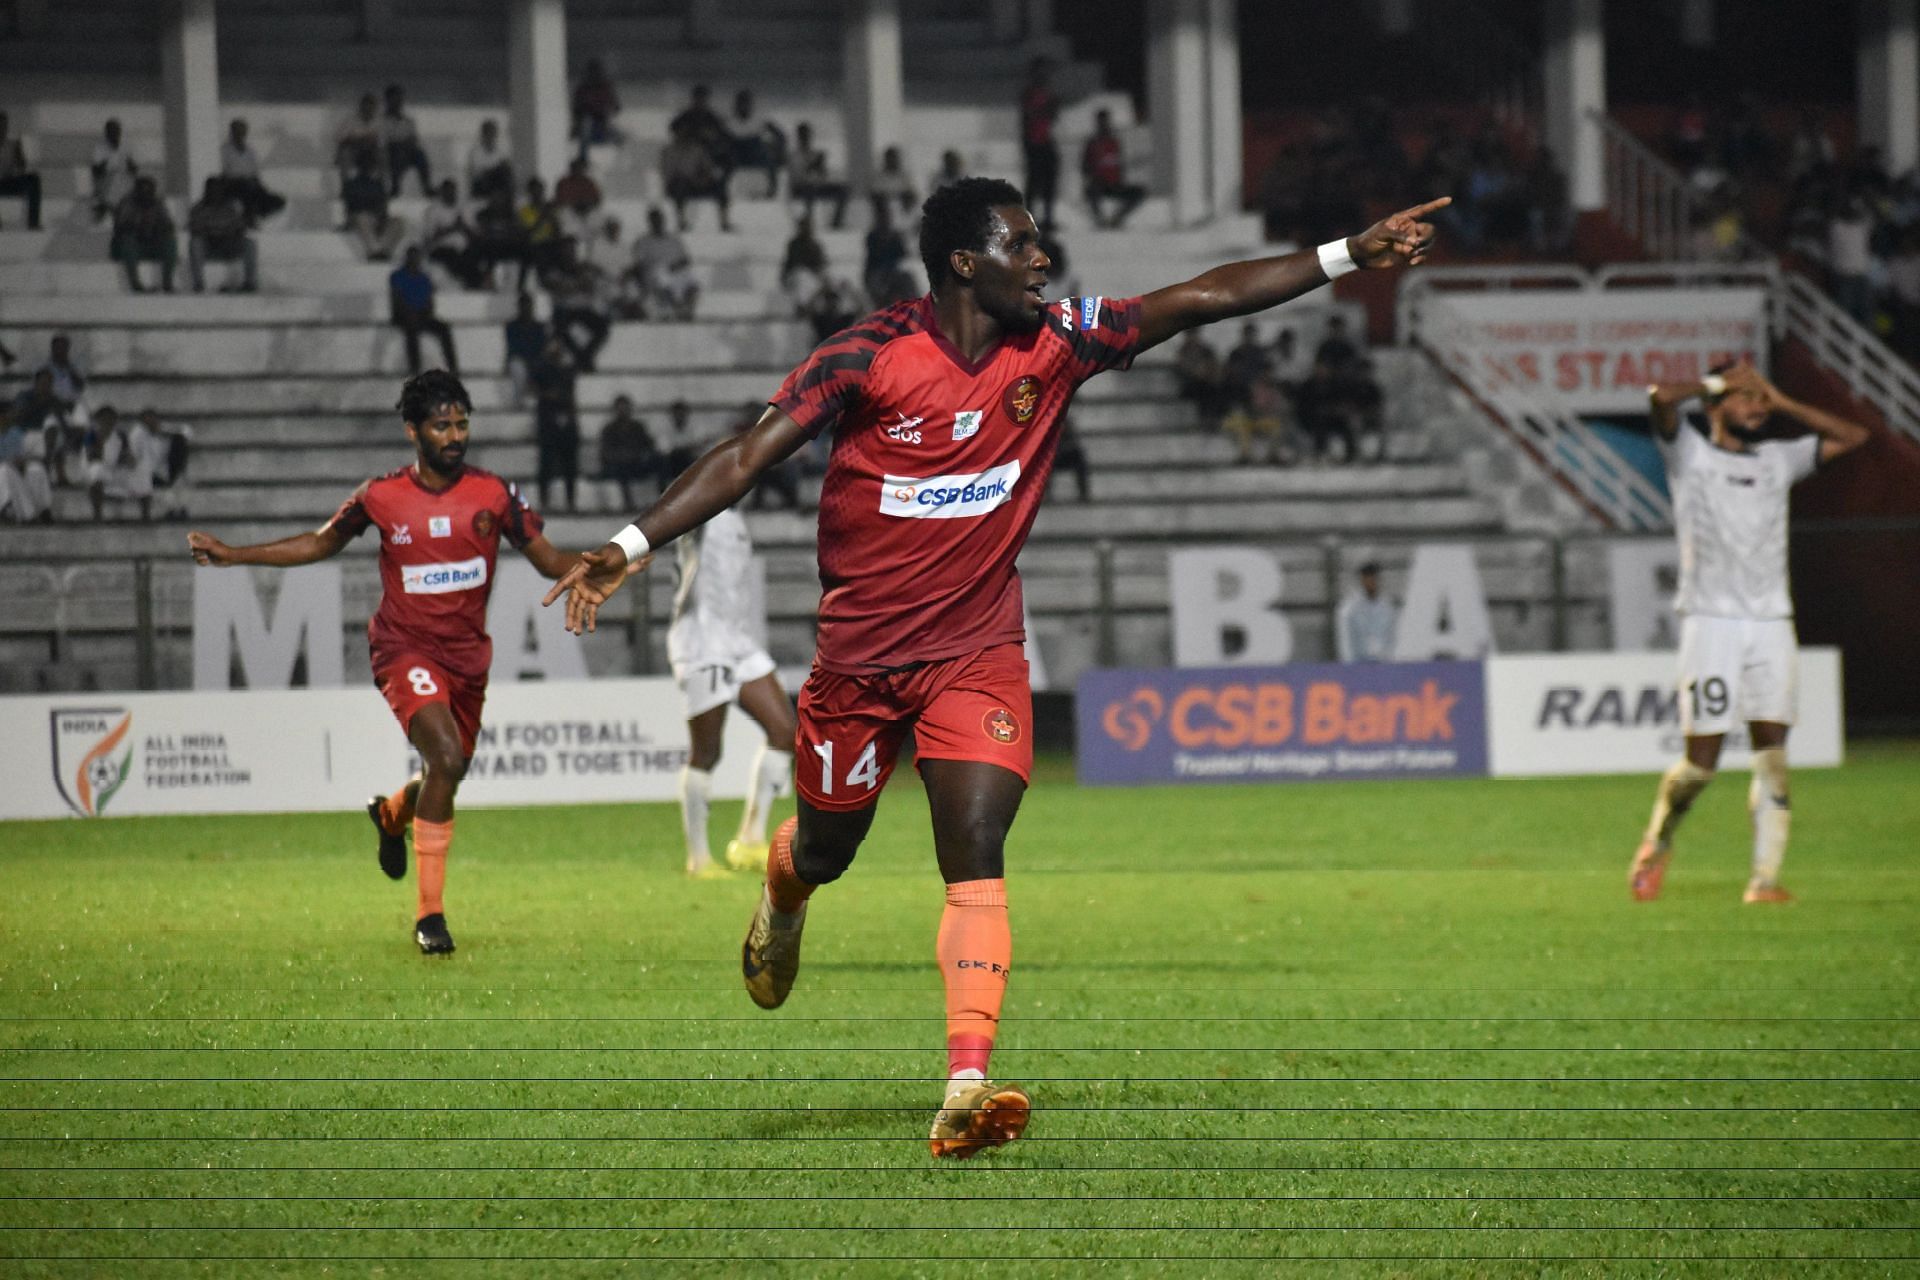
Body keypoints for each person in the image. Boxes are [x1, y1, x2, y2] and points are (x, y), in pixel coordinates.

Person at [544, 177, 1448, 1158]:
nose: (1043, 259)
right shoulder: (869, 354)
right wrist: (629, 544)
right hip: (858, 665)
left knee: (975, 840)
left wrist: (1348, 255)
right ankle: (786, 887)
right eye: (1023, 244)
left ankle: (964, 1084)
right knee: (828, 847)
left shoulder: (1057, 342)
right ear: (965, 262)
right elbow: (744, 456)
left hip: (975, 653)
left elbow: (1200, 298)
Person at [188, 372, 595, 955]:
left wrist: (611, 560)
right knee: (447, 757)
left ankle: (390, 815)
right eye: (441, 425)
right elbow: (320, 542)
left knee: (446, 774)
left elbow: (551, 560)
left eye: (461, 423)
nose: (455, 435)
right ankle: (430, 917)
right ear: (413, 432)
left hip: (467, 660)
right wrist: (235, 554)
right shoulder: (380, 496)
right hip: (403, 649)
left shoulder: (495, 495)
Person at [1628, 362, 1869, 907]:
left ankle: (1764, 880)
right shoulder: (1689, 454)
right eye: (1745, 399)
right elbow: (1661, 396)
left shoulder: (1775, 460)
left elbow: (1854, 436)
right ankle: (1658, 839)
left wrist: (1781, 398)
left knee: (1773, 756)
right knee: (1700, 766)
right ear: (1715, 406)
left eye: (1760, 401)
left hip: (1770, 624)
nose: (1757, 408)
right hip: (1710, 623)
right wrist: (1714, 383)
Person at [667, 502, 797, 879]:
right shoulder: (705, 510)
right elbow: (677, 512)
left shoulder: (738, 517)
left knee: (784, 733)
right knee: (707, 751)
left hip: (737, 640)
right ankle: (699, 860)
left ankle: (750, 840)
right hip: (701, 641)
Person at [540, 240, 611, 372]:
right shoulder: (554, 270)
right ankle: (583, 359)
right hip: (564, 310)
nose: (569, 253)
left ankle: (584, 356)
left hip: (583, 309)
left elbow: (590, 286)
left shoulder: (583, 268)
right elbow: (556, 287)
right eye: (566, 250)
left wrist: (575, 283)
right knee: (561, 328)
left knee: (602, 327)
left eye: (571, 250)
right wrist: (577, 284)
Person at [389, 247, 459, 375]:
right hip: (403, 316)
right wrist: (409, 313)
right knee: (411, 329)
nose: (415, 260)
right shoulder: (397, 276)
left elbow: (429, 302)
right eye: (412, 257)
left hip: (421, 315)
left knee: (444, 328)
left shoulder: (424, 278)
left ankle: (453, 367)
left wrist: (423, 313)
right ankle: (414, 368)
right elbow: (396, 300)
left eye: (417, 257)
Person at [530, 335, 581, 511]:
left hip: (566, 419)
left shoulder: (568, 369)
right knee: (546, 463)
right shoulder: (540, 368)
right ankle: (544, 500)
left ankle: (571, 501)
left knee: (570, 465)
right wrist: (548, 395)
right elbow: (533, 389)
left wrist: (570, 416)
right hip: (548, 420)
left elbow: (571, 395)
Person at [186, 176, 258, 294]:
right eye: (212, 189)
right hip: (209, 246)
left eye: (218, 189)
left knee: (249, 244)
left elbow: (239, 228)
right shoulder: (198, 209)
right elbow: (195, 229)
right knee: (195, 243)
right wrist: (213, 234)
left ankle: (250, 283)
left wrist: (231, 234)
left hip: (228, 245)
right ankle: (198, 284)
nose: (215, 192)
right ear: (206, 190)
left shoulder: (230, 208)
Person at [661, 119, 731, 232]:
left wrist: (705, 178)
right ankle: (681, 222)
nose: (683, 134)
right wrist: (690, 179)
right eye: (680, 132)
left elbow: (708, 167)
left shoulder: (698, 149)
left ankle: (724, 221)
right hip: (678, 184)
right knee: (680, 184)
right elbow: (668, 174)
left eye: (685, 132)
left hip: (696, 183)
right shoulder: (668, 151)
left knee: (720, 185)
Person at [110, 175, 177, 293]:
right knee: (128, 239)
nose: (146, 194)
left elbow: (168, 225)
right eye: (143, 191)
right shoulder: (126, 203)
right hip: (129, 248)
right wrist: (141, 224)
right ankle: (135, 283)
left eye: (149, 191)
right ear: (136, 191)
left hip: (150, 244)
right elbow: (122, 227)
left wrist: (158, 228)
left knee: (169, 240)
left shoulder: (158, 203)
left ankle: (167, 283)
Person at [1080, 109, 1145, 230]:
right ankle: (1100, 219)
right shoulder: (1092, 143)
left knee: (1139, 192)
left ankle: (1117, 217)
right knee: (1092, 192)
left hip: (1115, 184)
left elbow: (1119, 165)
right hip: (1099, 184)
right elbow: (1085, 167)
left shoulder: (1114, 142)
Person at [418, 180, 484, 289]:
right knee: (454, 257)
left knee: (475, 253)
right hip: (441, 248)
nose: (450, 194)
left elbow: (475, 234)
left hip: (464, 248)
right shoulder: (433, 211)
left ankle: (475, 282)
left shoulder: (464, 208)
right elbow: (430, 238)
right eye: (447, 191)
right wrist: (452, 228)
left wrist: (463, 226)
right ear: (442, 193)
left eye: (452, 191)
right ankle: (473, 283)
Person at [599, 394, 663, 508]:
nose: (623, 411)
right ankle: (628, 502)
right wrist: (622, 456)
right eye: (620, 408)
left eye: (625, 408)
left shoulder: (638, 427)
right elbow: (606, 452)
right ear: (615, 410)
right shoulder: (609, 429)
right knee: (621, 467)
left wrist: (641, 455)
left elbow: (648, 445)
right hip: (618, 465)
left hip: (637, 462)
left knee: (660, 461)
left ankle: (663, 498)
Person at [1019, 59, 1060, 226]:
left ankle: (1048, 216)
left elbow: (1052, 117)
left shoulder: (1047, 93)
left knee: (1049, 179)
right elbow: (1030, 115)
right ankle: (1029, 216)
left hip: (1045, 139)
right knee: (1034, 180)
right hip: (1033, 140)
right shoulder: (1029, 93)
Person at [219, 119, 285, 223]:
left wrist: (259, 185)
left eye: (242, 132)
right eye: (237, 131)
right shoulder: (225, 150)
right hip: (232, 184)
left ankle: (255, 215)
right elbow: (224, 172)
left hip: (251, 183)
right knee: (246, 191)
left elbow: (255, 172)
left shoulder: (250, 151)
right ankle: (248, 219)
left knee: (277, 200)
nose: (240, 134)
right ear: (232, 132)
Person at [787, 122, 849, 229]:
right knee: (809, 189)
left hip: (815, 186)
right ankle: (808, 221)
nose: (806, 138)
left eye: (807, 135)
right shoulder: (794, 155)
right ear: (799, 137)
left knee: (843, 190)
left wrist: (821, 167)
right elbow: (797, 177)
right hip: (800, 188)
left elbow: (823, 176)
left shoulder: (815, 153)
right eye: (803, 135)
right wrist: (811, 166)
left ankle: (836, 223)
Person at [342, 158, 407, 261]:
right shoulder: (351, 184)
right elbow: (350, 207)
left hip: (377, 217)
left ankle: (384, 250)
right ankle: (374, 251)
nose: (369, 168)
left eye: (370, 166)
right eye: (366, 166)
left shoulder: (377, 184)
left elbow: (383, 204)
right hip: (359, 217)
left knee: (399, 221)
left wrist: (382, 218)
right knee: (362, 217)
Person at [728, 89, 786, 198]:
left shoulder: (759, 120)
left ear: (750, 105)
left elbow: (780, 136)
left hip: (754, 154)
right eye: (741, 103)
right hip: (737, 155)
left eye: (746, 103)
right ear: (737, 105)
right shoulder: (730, 121)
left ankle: (772, 190)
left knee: (771, 163)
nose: (744, 106)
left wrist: (777, 149)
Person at [1336, 561, 1398, 661]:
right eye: (1367, 578)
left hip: (1383, 663)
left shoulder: (1388, 606)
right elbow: (1346, 642)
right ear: (1361, 580)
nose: (1372, 581)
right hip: (1358, 663)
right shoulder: (1350, 608)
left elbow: (1392, 638)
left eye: (1375, 577)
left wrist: (1390, 662)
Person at [862, 197, 916, 306]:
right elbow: (876, 257)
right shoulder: (872, 236)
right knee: (880, 286)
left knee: (907, 278)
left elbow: (903, 254)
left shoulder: (895, 235)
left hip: (892, 271)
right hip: (875, 272)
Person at [1173, 329, 1228, 430]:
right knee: (1204, 390)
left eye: (1194, 335)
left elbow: (1215, 364)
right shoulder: (1183, 351)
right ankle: (1206, 418)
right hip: (1190, 384)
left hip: (1207, 381)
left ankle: (1216, 418)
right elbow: (1182, 368)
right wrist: (1197, 372)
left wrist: (1208, 372)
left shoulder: (1206, 350)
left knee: (1217, 388)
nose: (1192, 338)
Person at [381, 84, 431, 196]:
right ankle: (395, 186)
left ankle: (427, 187)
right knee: (396, 150)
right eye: (395, 98)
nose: (398, 102)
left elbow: (413, 139)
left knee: (420, 154)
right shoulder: (381, 120)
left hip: (407, 152)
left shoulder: (408, 121)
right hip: (389, 153)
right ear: (388, 100)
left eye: (399, 98)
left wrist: (403, 143)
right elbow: (384, 140)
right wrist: (400, 142)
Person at [89, 119, 139, 224]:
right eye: (111, 132)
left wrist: (131, 165)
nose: (115, 134)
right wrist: (107, 162)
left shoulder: (127, 145)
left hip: (124, 180)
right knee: (112, 184)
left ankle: (107, 209)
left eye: (117, 131)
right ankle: (105, 209)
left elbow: (134, 168)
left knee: (122, 185)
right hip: (106, 180)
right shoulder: (100, 147)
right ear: (106, 133)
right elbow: (96, 170)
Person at [502, 292, 546, 406]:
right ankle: (519, 401)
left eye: (528, 306)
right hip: (518, 358)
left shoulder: (539, 327)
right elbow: (514, 347)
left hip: (536, 360)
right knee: (518, 369)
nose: (526, 309)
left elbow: (541, 347)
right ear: (519, 307)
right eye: (524, 306)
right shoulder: (511, 326)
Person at [0, 110, 42, 230]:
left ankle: (33, 222)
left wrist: (19, 153)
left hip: (7, 181)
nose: (2, 130)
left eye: (4, 126)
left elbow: (21, 167)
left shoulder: (12, 144)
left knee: (34, 179)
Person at [571, 58, 622, 152]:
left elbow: (615, 105)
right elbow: (577, 106)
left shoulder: (603, 86)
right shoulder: (584, 87)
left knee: (599, 130)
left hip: (600, 119)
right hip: (587, 119)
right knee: (587, 128)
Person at [335, 92, 383, 179]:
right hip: (354, 151)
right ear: (361, 107)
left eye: (371, 107)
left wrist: (371, 140)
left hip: (372, 151)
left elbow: (382, 140)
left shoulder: (379, 122)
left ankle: (380, 184)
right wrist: (357, 139)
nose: (368, 109)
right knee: (344, 153)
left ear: (374, 108)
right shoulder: (350, 120)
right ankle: (346, 184)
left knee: (383, 154)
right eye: (366, 106)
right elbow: (340, 138)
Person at [466, 118, 514, 202]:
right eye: (489, 132)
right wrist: (496, 168)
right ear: (483, 134)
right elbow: (478, 173)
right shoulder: (476, 152)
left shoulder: (501, 151)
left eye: (493, 133)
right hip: (482, 185)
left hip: (498, 184)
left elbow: (506, 168)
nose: (491, 135)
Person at [867, 144, 917, 218]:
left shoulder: (904, 176)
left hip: (901, 205)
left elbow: (909, 191)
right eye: (889, 158)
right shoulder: (879, 176)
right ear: (885, 160)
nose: (891, 161)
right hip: (883, 207)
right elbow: (875, 192)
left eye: (893, 158)